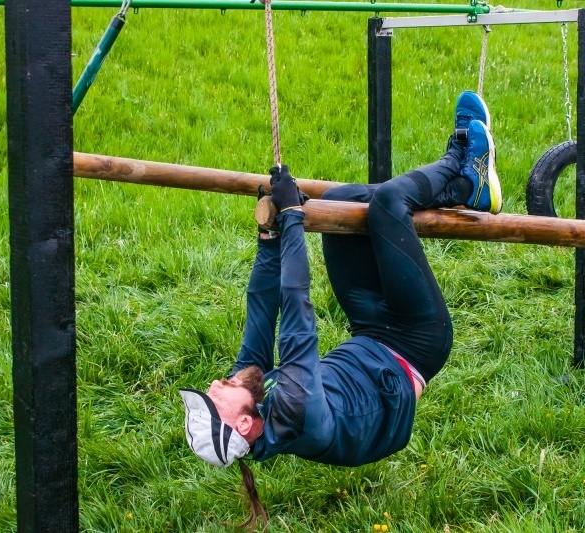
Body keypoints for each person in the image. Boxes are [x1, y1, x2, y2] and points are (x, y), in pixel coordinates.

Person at [178, 91, 503, 528]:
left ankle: (463, 189)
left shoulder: (249, 391)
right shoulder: (297, 415)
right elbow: (296, 314)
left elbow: (262, 309)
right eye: (214, 397)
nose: (216, 383)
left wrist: (269, 237)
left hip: (370, 334)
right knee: (388, 203)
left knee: (341, 199)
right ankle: (465, 176)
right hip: (414, 346)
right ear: (240, 424)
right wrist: (292, 216)